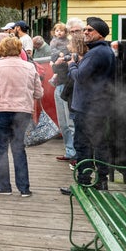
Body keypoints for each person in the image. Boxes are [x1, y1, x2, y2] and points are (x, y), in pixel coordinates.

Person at [0, 36, 43, 197]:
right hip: (22, 112)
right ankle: (24, 188)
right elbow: (39, 93)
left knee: (0, 148)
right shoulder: (29, 67)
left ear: (2, 49)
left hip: (0, 110)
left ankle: (3, 185)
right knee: (19, 148)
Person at [59, 16, 116, 195]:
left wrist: (71, 65)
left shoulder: (96, 53)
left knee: (83, 145)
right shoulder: (103, 51)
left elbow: (80, 77)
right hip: (98, 106)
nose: (85, 32)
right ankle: (101, 181)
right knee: (99, 144)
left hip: (88, 108)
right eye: (85, 29)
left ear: (100, 34)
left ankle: (83, 183)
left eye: (90, 30)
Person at [51, 19, 85, 164]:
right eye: (72, 31)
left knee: (71, 123)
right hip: (60, 84)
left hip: (71, 88)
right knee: (63, 123)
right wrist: (58, 64)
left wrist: (66, 63)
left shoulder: (84, 47)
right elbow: (55, 67)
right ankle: (69, 151)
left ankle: (77, 155)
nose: (74, 34)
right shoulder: (67, 46)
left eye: (77, 31)